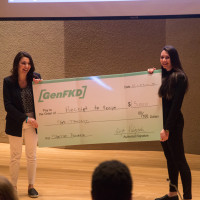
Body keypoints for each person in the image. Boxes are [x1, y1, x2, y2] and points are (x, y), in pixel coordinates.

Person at [148, 45, 192, 200]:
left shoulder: (180, 77)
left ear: (173, 58)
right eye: (162, 57)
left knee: (180, 161)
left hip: (173, 125)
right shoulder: (162, 75)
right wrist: (150, 75)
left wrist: (167, 128)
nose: (164, 60)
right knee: (170, 159)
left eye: (167, 57)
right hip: (162, 125)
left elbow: (175, 106)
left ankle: (187, 197)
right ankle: (172, 194)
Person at [3, 51, 42, 198]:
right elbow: (8, 106)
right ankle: (13, 187)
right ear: (17, 64)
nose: (27, 66)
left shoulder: (36, 78)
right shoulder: (8, 82)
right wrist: (25, 119)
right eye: (23, 63)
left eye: (28, 63)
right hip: (16, 122)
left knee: (32, 155)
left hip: (34, 123)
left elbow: (43, 97)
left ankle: (31, 186)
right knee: (15, 156)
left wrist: (40, 86)